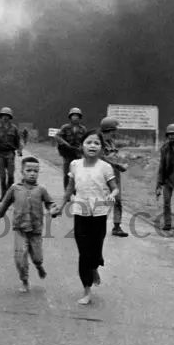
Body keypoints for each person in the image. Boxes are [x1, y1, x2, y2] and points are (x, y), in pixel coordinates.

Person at [52, 130, 119, 305]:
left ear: (101, 148)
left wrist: (112, 195)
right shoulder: (75, 165)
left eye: (96, 143)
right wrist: (61, 206)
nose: (92, 146)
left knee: (95, 252)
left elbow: (115, 188)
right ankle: (87, 290)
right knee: (84, 253)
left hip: (99, 214)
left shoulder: (105, 167)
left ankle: (94, 266)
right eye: (89, 142)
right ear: (82, 146)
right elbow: (70, 189)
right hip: (80, 213)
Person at [0, 156, 58, 293]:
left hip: (36, 230)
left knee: (37, 257)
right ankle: (25, 280)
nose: (32, 173)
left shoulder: (41, 189)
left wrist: (53, 210)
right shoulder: (14, 189)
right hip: (20, 229)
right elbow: (4, 204)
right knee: (20, 259)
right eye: (29, 170)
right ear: (22, 171)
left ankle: (39, 266)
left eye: (35, 171)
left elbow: (50, 203)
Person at [99, 117, 130, 237]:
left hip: (114, 175)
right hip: (102, 176)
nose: (115, 132)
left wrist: (122, 163)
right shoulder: (98, 142)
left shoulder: (111, 142)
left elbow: (114, 156)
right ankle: (97, 226)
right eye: (114, 130)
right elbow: (101, 158)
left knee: (117, 200)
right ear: (109, 129)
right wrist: (118, 165)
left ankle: (117, 227)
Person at [0, 107, 23, 200]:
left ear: (10, 117)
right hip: (0, 154)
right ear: (1, 117)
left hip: (10, 153)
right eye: (3, 115)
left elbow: (18, 141)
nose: (5, 117)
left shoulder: (14, 128)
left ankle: (10, 195)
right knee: (2, 176)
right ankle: (3, 195)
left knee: (11, 175)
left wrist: (19, 150)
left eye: (7, 115)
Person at [54, 107, 87, 191]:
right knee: (67, 173)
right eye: (73, 115)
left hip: (77, 154)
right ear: (70, 117)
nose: (75, 117)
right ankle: (66, 191)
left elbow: (86, 140)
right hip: (67, 154)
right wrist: (66, 144)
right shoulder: (65, 127)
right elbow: (57, 136)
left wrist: (82, 147)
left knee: (77, 173)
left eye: (77, 116)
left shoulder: (83, 129)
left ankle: (75, 190)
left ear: (80, 117)